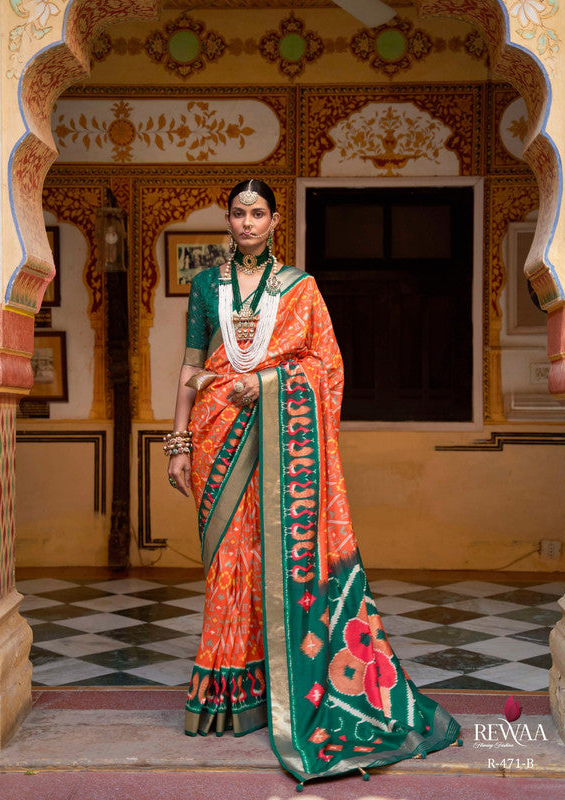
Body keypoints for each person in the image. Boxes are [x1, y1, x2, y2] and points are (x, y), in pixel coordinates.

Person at [166, 179, 460, 787]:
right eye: (238, 214)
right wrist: (179, 443)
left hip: (277, 437)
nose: (247, 223)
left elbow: (327, 366)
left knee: (269, 554)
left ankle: (282, 688)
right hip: (217, 431)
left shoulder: (300, 287)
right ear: (228, 219)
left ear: (275, 221)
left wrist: (268, 386)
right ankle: (228, 697)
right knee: (228, 560)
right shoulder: (204, 286)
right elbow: (192, 367)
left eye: (258, 214)